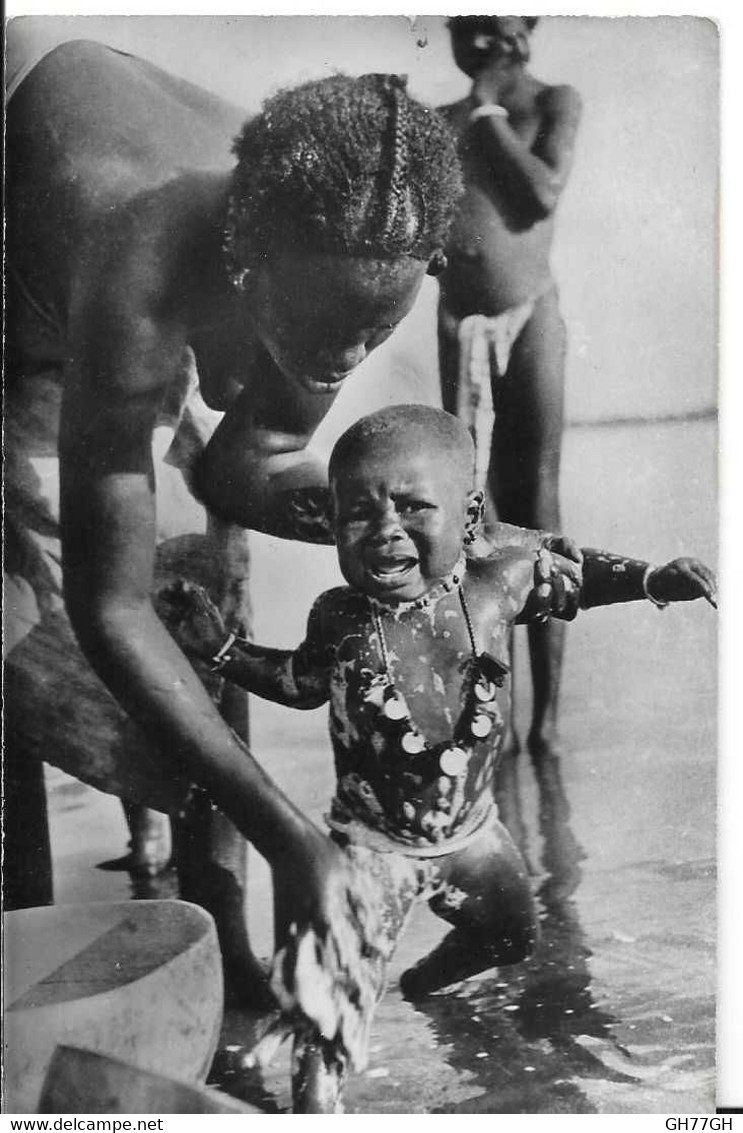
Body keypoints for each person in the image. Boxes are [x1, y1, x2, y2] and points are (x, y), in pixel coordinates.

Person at [4, 35, 466, 1000]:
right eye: (323, 330)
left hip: (132, 258)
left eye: (372, 332)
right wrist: (294, 833)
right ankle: (23, 949)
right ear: (250, 271)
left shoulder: (343, 235)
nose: (341, 359)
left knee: (201, 592)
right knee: (15, 626)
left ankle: (225, 948)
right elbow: (110, 606)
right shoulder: (136, 249)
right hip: (30, 244)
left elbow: (233, 471)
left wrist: (378, 520)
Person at [158, 404, 716, 1112]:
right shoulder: (340, 618)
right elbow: (298, 683)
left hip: (473, 833)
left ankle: (424, 984)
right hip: (372, 846)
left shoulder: (497, 586)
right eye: (357, 513)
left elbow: (578, 579)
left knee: (512, 935)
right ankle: (311, 1112)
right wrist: (223, 649)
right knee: (333, 1005)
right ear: (331, 524)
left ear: (469, 514)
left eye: (414, 507)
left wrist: (648, 579)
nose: (386, 529)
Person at [436, 16, 583, 845]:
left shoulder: (553, 101)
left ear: (523, 27)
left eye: (488, 23)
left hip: (531, 317)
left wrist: (489, 112)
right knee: (471, 519)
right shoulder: (444, 121)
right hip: (458, 320)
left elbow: (540, 192)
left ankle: (547, 729)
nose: (472, 39)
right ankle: (493, 714)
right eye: (459, 26)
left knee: (538, 504)